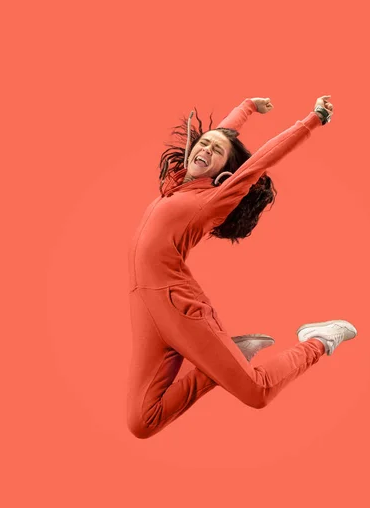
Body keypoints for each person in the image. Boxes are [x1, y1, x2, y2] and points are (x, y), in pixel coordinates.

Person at [127, 95, 357, 439]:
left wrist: (314, 119)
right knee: (142, 422)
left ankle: (319, 340)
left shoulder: (214, 197)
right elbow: (221, 134)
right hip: (145, 310)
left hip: (178, 306)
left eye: (214, 152)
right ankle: (231, 355)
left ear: (225, 174)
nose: (204, 150)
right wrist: (246, 108)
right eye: (202, 145)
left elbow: (263, 158)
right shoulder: (176, 184)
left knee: (257, 392)